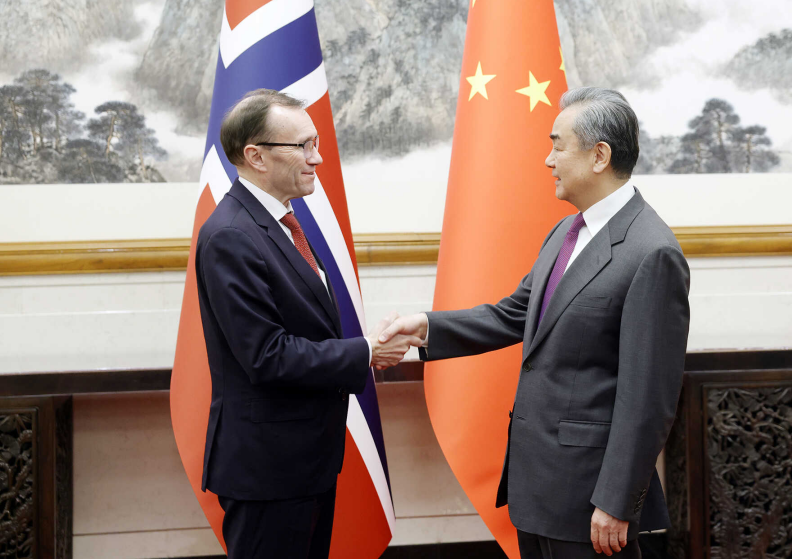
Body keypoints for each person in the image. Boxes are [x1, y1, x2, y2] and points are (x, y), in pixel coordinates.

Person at [376, 88, 691, 559]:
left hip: (592, 501)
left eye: (558, 145)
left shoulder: (651, 251)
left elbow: (648, 398)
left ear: (599, 155)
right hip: (538, 487)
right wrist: (423, 328)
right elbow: (514, 314)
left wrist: (617, 501)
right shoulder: (567, 231)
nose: (548, 160)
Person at [195, 89, 414, 559]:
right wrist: (366, 351)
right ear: (255, 155)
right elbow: (266, 355)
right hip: (268, 468)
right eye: (303, 146)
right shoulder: (233, 235)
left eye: (316, 143)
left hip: (302, 461)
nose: (317, 158)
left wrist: (367, 349)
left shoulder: (281, 220)